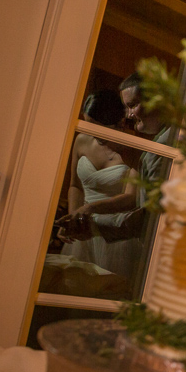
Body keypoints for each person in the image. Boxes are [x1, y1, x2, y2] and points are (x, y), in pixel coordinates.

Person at [57, 90, 140, 283]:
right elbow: (75, 185)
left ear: (119, 123)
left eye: (99, 129)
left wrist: (91, 209)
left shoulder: (134, 149)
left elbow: (131, 198)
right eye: (88, 127)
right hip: (84, 225)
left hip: (115, 233)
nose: (93, 134)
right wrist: (74, 219)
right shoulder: (82, 140)